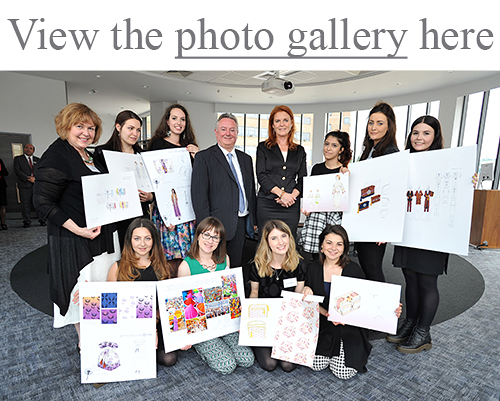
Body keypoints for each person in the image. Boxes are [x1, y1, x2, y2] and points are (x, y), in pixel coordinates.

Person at [33, 103, 119, 347]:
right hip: (76, 241)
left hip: (100, 240)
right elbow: (42, 202)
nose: (86, 133)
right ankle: (88, 347)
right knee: (84, 297)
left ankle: (104, 340)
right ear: (65, 126)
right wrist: (77, 229)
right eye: (79, 126)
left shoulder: (87, 154)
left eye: (91, 128)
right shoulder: (57, 155)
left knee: (101, 294)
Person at [386, 115, 467, 354]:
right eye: (415, 132)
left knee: (427, 281)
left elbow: (455, 189)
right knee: (410, 279)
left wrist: (467, 182)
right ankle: (410, 323)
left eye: (426, 133)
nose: (419, 137)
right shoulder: (403, 161)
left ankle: (423, 332)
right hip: (409, 230)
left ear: (435, 136)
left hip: (434, 232)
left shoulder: (446, 161)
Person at [302, 224, 401, 379]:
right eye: (329, 243)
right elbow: (309, 303)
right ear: (321, 246)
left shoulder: (353, 269)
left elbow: (367, 301)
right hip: (323, 324)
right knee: (316, 365)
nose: (333, 248)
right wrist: (307, 289)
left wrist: (391, 309)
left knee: (343, 372)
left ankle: (344, 349)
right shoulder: (313, 268)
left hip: (349, 326)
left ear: (345, 248)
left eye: (339, 244)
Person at [177, 217, 255, 374]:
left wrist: (238, 321)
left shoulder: (224, 259)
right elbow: (183, 306)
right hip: (201, 325)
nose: (210, 240)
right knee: (227, 365)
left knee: (247, 359)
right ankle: (202, 348)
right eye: (206, 235)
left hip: (224, 320)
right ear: (198, 236)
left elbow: (230, 295)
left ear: (220, 241)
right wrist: (184, 336)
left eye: (215, 237)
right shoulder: (186, 266)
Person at [107, 218, 179, 366]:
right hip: (127, 324)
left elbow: (165, 305)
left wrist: (154, 324)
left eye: (147, 238)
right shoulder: (117, 267)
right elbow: (109, 304)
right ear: (129, 241)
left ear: (153, 240)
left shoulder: (163, 266)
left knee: (169, 359)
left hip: (154, 321)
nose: (142, 244)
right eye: (137, 238)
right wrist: (88, 294)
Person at [191, 113, 257, 268]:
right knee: (214, 267)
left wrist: (253, 219)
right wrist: (206, 229)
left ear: (237, 133)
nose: (228, 133)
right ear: (216, 132)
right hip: (215, 226)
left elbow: (250, 191)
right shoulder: (204, 157)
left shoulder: (246, 159)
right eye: (223, 129)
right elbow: (199, 196)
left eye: (232, 130)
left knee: (235, 265)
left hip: (241, 223)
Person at [249, 219, 305, 372]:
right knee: (270, 364)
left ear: (290, 238)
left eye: (284, 236)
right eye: (274, 238)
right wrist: (251, 319)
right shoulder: (257, 265)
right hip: (265, 320)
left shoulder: (299, 264)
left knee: (288, 366)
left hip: (288, 320)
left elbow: (298, 297)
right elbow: (254, 293)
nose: (280, 242)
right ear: (267, 242)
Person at [147, 104, 199, 266]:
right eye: (174, 118)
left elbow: (197, 179)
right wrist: (166, 213)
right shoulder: (157, 145)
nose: (179, 122)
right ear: (167, 121)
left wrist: (198, 156)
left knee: (188, 258)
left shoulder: (190, 147)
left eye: (182, 119)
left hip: (186, 208)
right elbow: (153, 180)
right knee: (166, 259)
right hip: (165, 209)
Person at [93, 110, 153, 249]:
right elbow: (99, 186)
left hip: (139, 213)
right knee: (119, 254)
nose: (135, 134)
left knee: (139, 252)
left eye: (138, 130)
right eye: (130, 128)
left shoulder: (143, 155)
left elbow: (152, 184)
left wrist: (150, 196)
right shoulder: (102, 153)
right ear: (118, 127)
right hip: (115, 214)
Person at [354, 101, 399, 282]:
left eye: (380, 123)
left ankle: (382, 309)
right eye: (371, 122)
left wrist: (385, 228)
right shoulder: (369, 150)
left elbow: (392, 191)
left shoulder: (390, 152)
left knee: (373, 269)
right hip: (365, 218)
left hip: (376, 222)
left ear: (389, 127)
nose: (373, 127)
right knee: (366, 266)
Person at [299, 131, 352, 261]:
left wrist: (348, 177)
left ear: (341, 150)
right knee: (316, 256)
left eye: (334, 145)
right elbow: (312, 194)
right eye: (326, 144)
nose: (328, 148)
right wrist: (307, 207)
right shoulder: (316, 168)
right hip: (316, 218)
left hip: (335, 218)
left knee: (334, 256)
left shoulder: (345, 171)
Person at [256, 105, 307, 239]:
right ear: (272, 125)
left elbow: (303, 179)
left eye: (285, 120)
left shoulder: (299, 150)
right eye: (277, 121)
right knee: (266, 243)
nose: (281, 124)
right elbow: (261, 175)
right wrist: (282, 194)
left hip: (291, 205)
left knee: (288, 243)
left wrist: (291, 197)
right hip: (267, 204)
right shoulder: (263, 147)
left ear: (291, 123)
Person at [14, 144, 46, 228]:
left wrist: (36, 179)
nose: (28, 149)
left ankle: (42, 220)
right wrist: (28, 178)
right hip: (24, 185)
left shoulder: (38, 160)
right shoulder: (18, 159)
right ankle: (26, 221)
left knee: (39, 203)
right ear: (24, 149)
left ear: (33, 151)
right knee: (25, 204)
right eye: (27, 148)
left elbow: (42, 170)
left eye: (31, 148)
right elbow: (17, 171)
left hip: (36, 184)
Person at [0, 158, 8, 230]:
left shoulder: (0, 161)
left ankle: (3, 223)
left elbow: (6, 173)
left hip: (1, 186)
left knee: (2, 206)